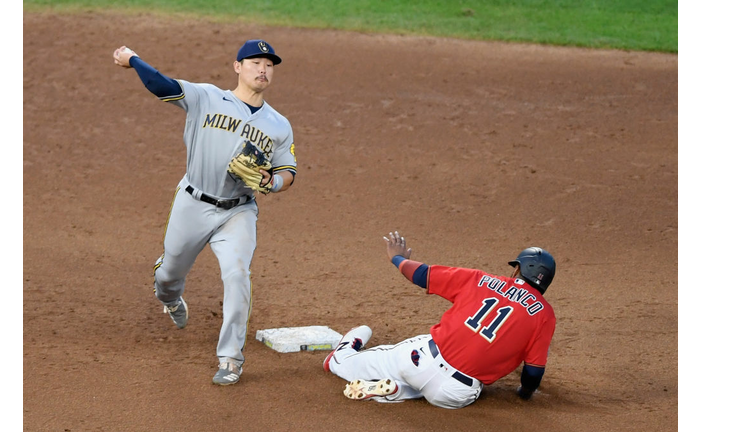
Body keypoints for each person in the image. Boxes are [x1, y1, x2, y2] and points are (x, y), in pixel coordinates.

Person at [112, 39, 297, 386]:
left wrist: (272, 182)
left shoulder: (278, 124)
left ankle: (230, 358)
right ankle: (168, 295)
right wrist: (133, 59)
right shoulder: (206, 97)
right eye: (255, 62)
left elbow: (289, 172)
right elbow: (161, 85)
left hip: (239, 212)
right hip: (193, 203)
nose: (263, 69)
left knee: (237, 275)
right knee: (168, 274)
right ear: (237, 67)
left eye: (269, 65)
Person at [323, 231, 557, 409]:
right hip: (455, 393)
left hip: (419, 361)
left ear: (518, 270)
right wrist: (524, 394)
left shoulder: (481, 279)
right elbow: (533, 373)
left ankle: (343, 356)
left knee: (346, 364)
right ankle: (397, 392)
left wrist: (397, 259)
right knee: (438, 388)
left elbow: (423, 275)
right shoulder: (545, 315)